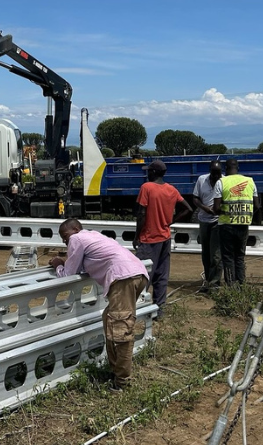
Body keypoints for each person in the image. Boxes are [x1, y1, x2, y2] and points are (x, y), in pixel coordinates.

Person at [49, 219, 149, 389]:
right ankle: (116, 370)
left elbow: (68, 274)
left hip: (122, 279)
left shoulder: (77, 239)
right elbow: (83, 266)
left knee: (120, 332)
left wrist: (59, 264)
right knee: (109, 320)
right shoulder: (94, 236)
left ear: (75, 229)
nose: (65, 242)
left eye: (65, 236)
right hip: (137, 274)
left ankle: (122, 382)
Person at [133, 160, 191, 309]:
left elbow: (141, 214)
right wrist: (170, 222)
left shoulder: (146, 188)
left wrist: (136, 236)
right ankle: (159, 308)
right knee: (161, 274)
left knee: (142, 274)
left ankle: (138, 307)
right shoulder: (171, 190)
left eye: (148, 171)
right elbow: (188, 209)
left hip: (149, 237)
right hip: (165, 237)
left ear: (153, 172)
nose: (147, 173)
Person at [215, 158, 259, 286]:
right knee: (240, 257)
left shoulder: (221, 182)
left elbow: (216, 208)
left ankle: (231, 287)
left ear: (226, 169)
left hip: (226, 225)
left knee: (228, 257)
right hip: (243, 224)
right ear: (238, 168)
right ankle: (241, 284)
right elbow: (257, 205)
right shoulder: (250, 181)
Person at [188, 160, 224, 291]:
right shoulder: (201, 180)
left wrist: (218, 209)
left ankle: (215, 283)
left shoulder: (224, 181)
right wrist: (204, 208)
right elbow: (195, 199)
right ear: (210, 171)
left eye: (218, 173)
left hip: (218, 221)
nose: (216, 177)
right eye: (213, 173)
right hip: (204, 220)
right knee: (206, 253)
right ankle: (208, 280)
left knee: (216, 254)